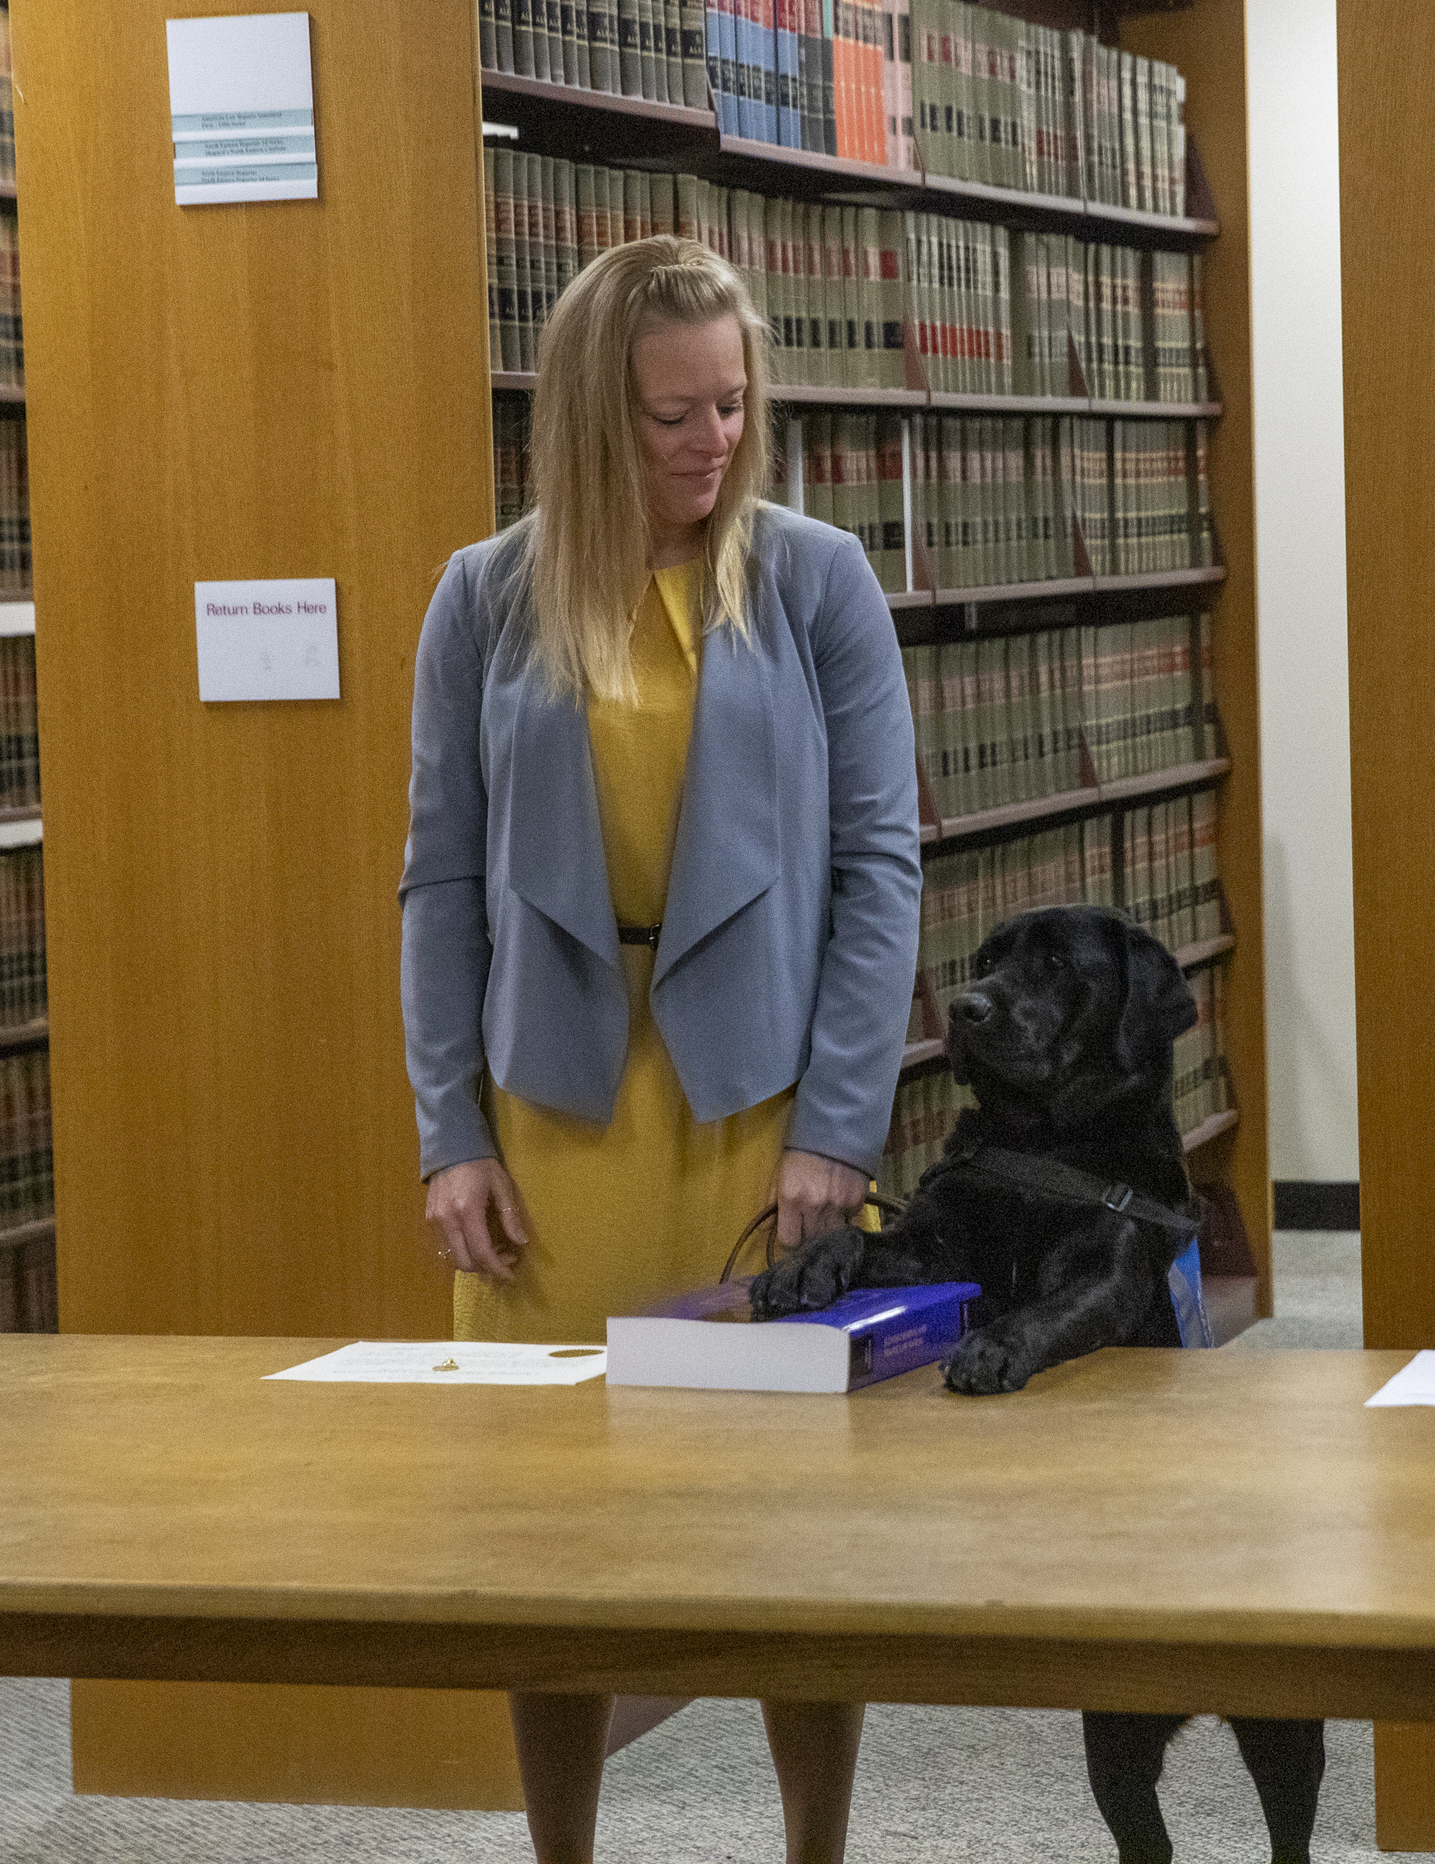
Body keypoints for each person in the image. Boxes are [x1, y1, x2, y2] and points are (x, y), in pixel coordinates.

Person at [400, 236, 920, 1864]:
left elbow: (880, 865)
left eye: (731, 404)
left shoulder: (817, 579)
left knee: (789, 1533)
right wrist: (448, 1133)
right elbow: (438, 879)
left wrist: (839, 1126)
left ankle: (814, 1847)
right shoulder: (483, 594)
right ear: (584, 416)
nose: (712, 441)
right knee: (544, 1540)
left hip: (761, 1113)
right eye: (669, 414)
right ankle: (561, 1846)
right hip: (551, 1115)